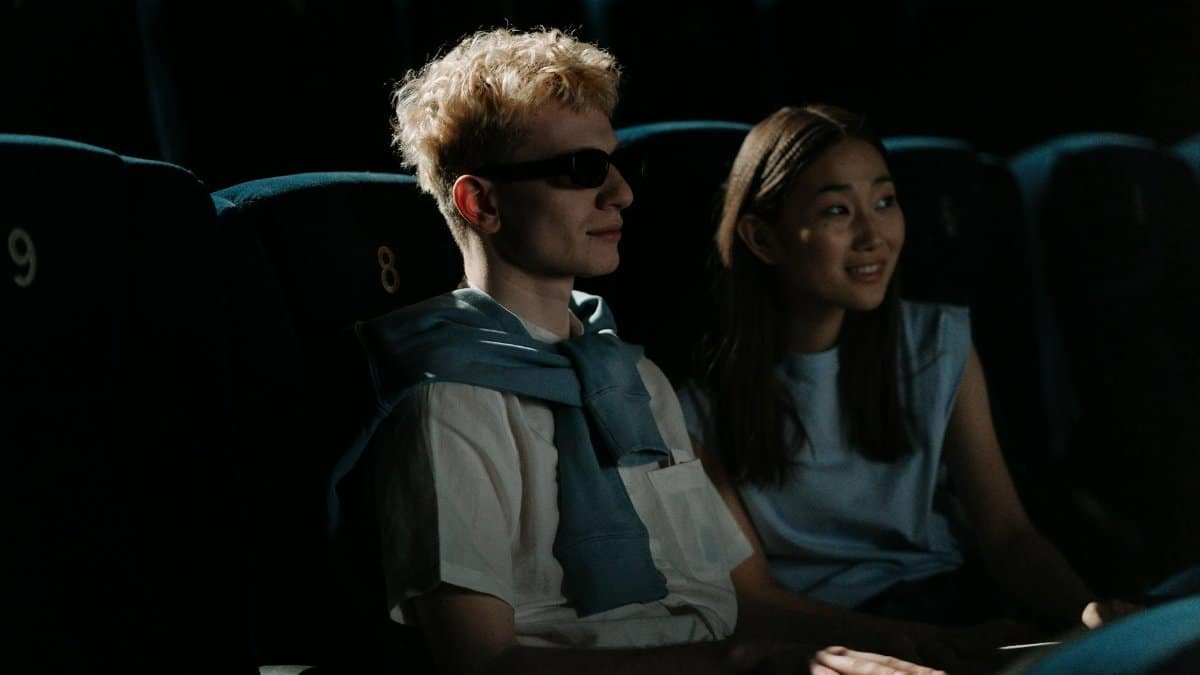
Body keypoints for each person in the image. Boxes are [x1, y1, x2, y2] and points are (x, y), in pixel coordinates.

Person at [338, 28, 944, 675]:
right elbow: (481, 663)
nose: (621, 194)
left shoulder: (633, 378)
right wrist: (742, 663)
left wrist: (912, 641)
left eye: (616, 164)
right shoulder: (445, 399)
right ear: (481, 201)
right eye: (581, 171)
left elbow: (747, 602)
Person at [676, 105, 1139, 653]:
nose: (874, 234)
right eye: (837, 211)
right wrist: (937, 645)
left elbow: (1008, 535)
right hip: (829, 634)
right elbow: (755, 602)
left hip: (954, 599)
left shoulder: (936, 344)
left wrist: (1084, 611)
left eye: (884, 201)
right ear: (762, 238)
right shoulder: (691, 399)